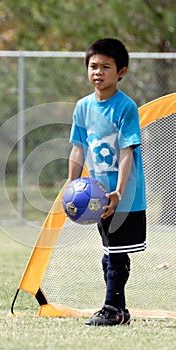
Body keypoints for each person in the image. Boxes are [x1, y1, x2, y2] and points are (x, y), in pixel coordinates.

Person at [68, 38, 147, 326]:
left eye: (105, 67)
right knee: (109, 253)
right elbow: (78, 148)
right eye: (93, 66)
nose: (98, 72)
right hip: (95, 196)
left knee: (116, 255)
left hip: (124, 197)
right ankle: (119, 310)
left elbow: (127, 153)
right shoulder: (82, 107)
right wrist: (72, 185)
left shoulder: (126, 107)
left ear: (121, 71)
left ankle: (112, 309)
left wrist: (118, 192)